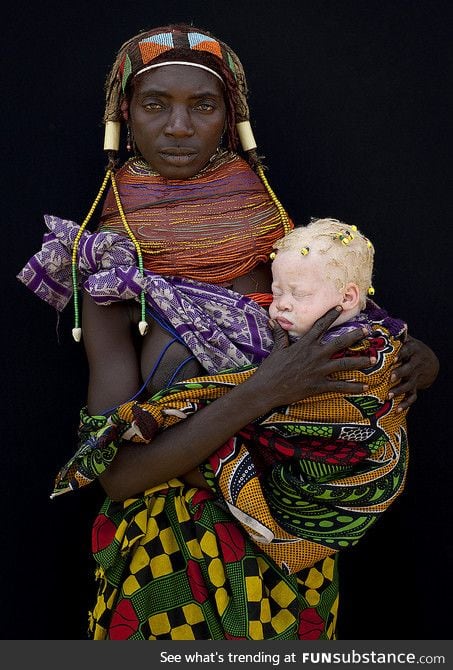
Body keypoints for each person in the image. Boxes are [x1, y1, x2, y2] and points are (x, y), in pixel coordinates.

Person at [17, 23, 438, 641]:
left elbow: (354, 341)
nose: (180, 127)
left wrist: (415, 356)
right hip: (164, 555)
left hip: (293, 550)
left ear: (231, 116)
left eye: (203, 105)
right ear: (124, 114)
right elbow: (119, 473)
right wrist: (263, 391)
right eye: (156, 105)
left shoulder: (284, 240)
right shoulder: (110, 265)